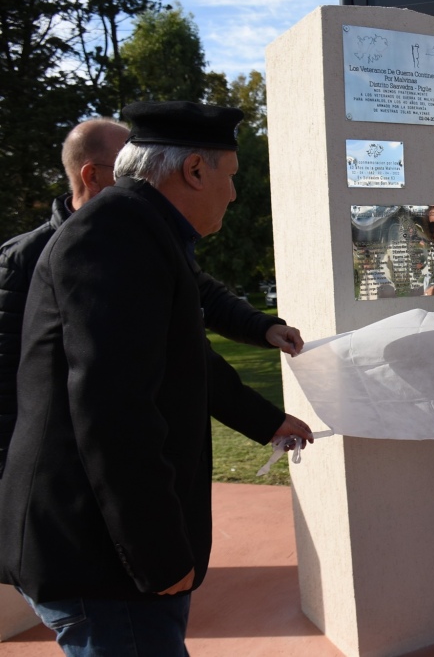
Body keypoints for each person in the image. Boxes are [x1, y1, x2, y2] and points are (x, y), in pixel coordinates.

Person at [0, 101, 310, 656]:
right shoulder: (115, 237)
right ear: (194, 170)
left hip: (104, 552)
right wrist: (158, 555)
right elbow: (114, 411)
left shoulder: (141, 231)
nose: (234, 195)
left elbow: (182, 357)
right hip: (102, 559)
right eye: (231, 177)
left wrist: (266, 418)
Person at [0, 118, 307, 479]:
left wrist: (263, 327)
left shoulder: (149, 244)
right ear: (92, 176)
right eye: (127, 168)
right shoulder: (27, 257)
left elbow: (201, 302)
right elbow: (9, 381)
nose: (145, 177)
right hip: (66, 473)